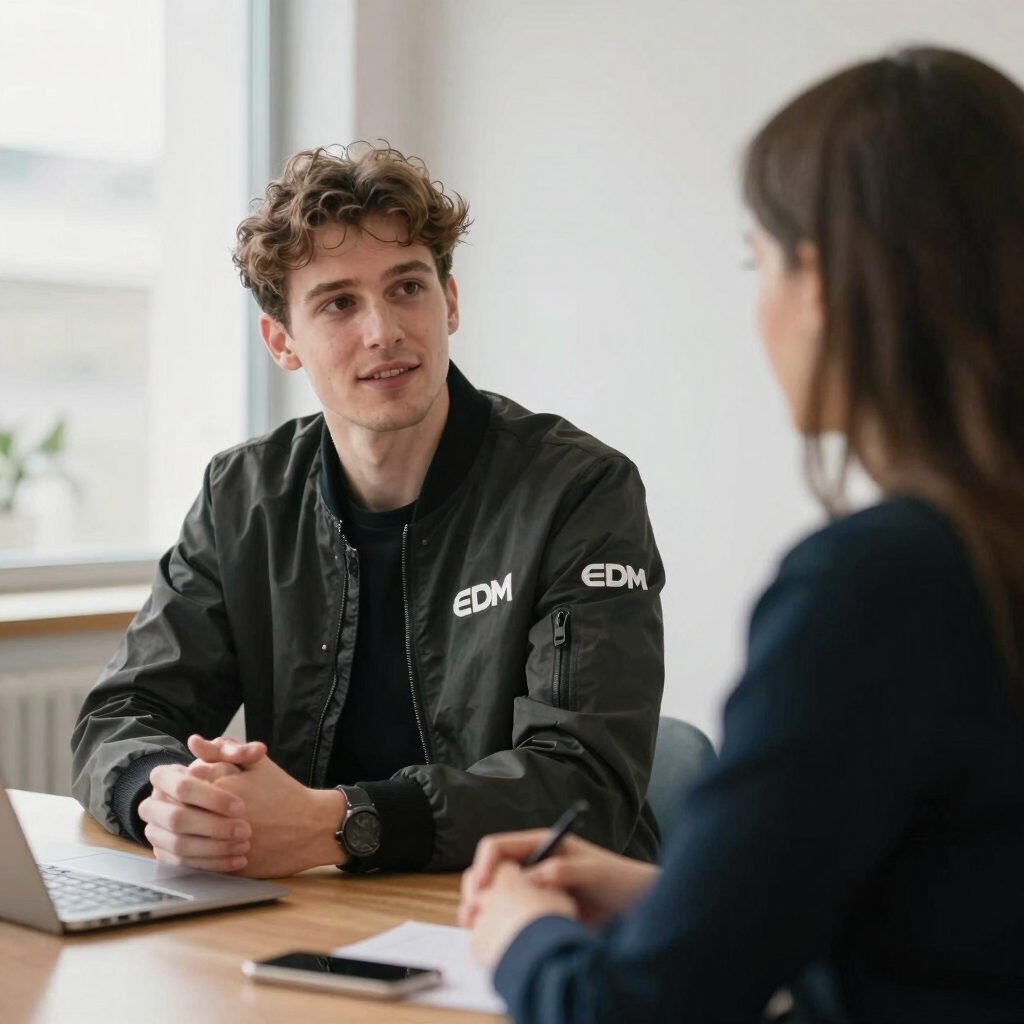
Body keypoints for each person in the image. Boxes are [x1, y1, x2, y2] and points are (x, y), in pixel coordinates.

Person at [460, 47, 1024, 1023]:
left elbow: (633, 1011)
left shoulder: (877, 584)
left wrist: (518, 933)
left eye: (755, 260)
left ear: (826, 284)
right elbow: (958, 914)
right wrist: (678, 902)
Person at [70, 144, 669, 878]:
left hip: (537, 915)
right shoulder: (243, 498)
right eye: (338, 303)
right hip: (319, 909)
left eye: (407, 288)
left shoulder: (578, 491)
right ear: (282, 340)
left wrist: (341, 824)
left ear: (450, 301)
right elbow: (121, 714)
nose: (383, 330)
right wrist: (161, 798)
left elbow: (587, 785)